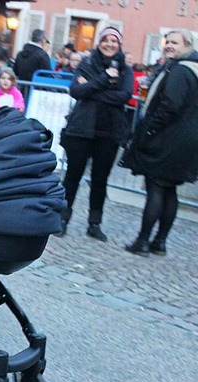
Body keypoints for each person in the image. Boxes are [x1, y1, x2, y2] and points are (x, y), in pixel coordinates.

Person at [121, 29, 198, 256]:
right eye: (167, 41)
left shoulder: (181, 70)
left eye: (175, 42)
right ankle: (159, 242)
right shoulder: (191, 68)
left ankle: (143, 241)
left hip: (168, 138)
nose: (169, 46)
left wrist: (149, 129)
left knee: (156, 187)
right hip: (185, 139)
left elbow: (170, 105)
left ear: (188, 44)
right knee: (169, 189)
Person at [58, 27, 133, 241]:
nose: (109, 44)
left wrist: (91, 88)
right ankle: (62, 219)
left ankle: (94, 223)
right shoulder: (87, 63)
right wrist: (103, 80)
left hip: (109, 133)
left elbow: (124, 96)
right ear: (99, 42)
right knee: (72, 177)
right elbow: (76, 91)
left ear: (119, 45)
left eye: (114, 41)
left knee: (100, 180)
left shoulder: (125, 70)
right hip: (81, 130)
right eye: (105, 40)